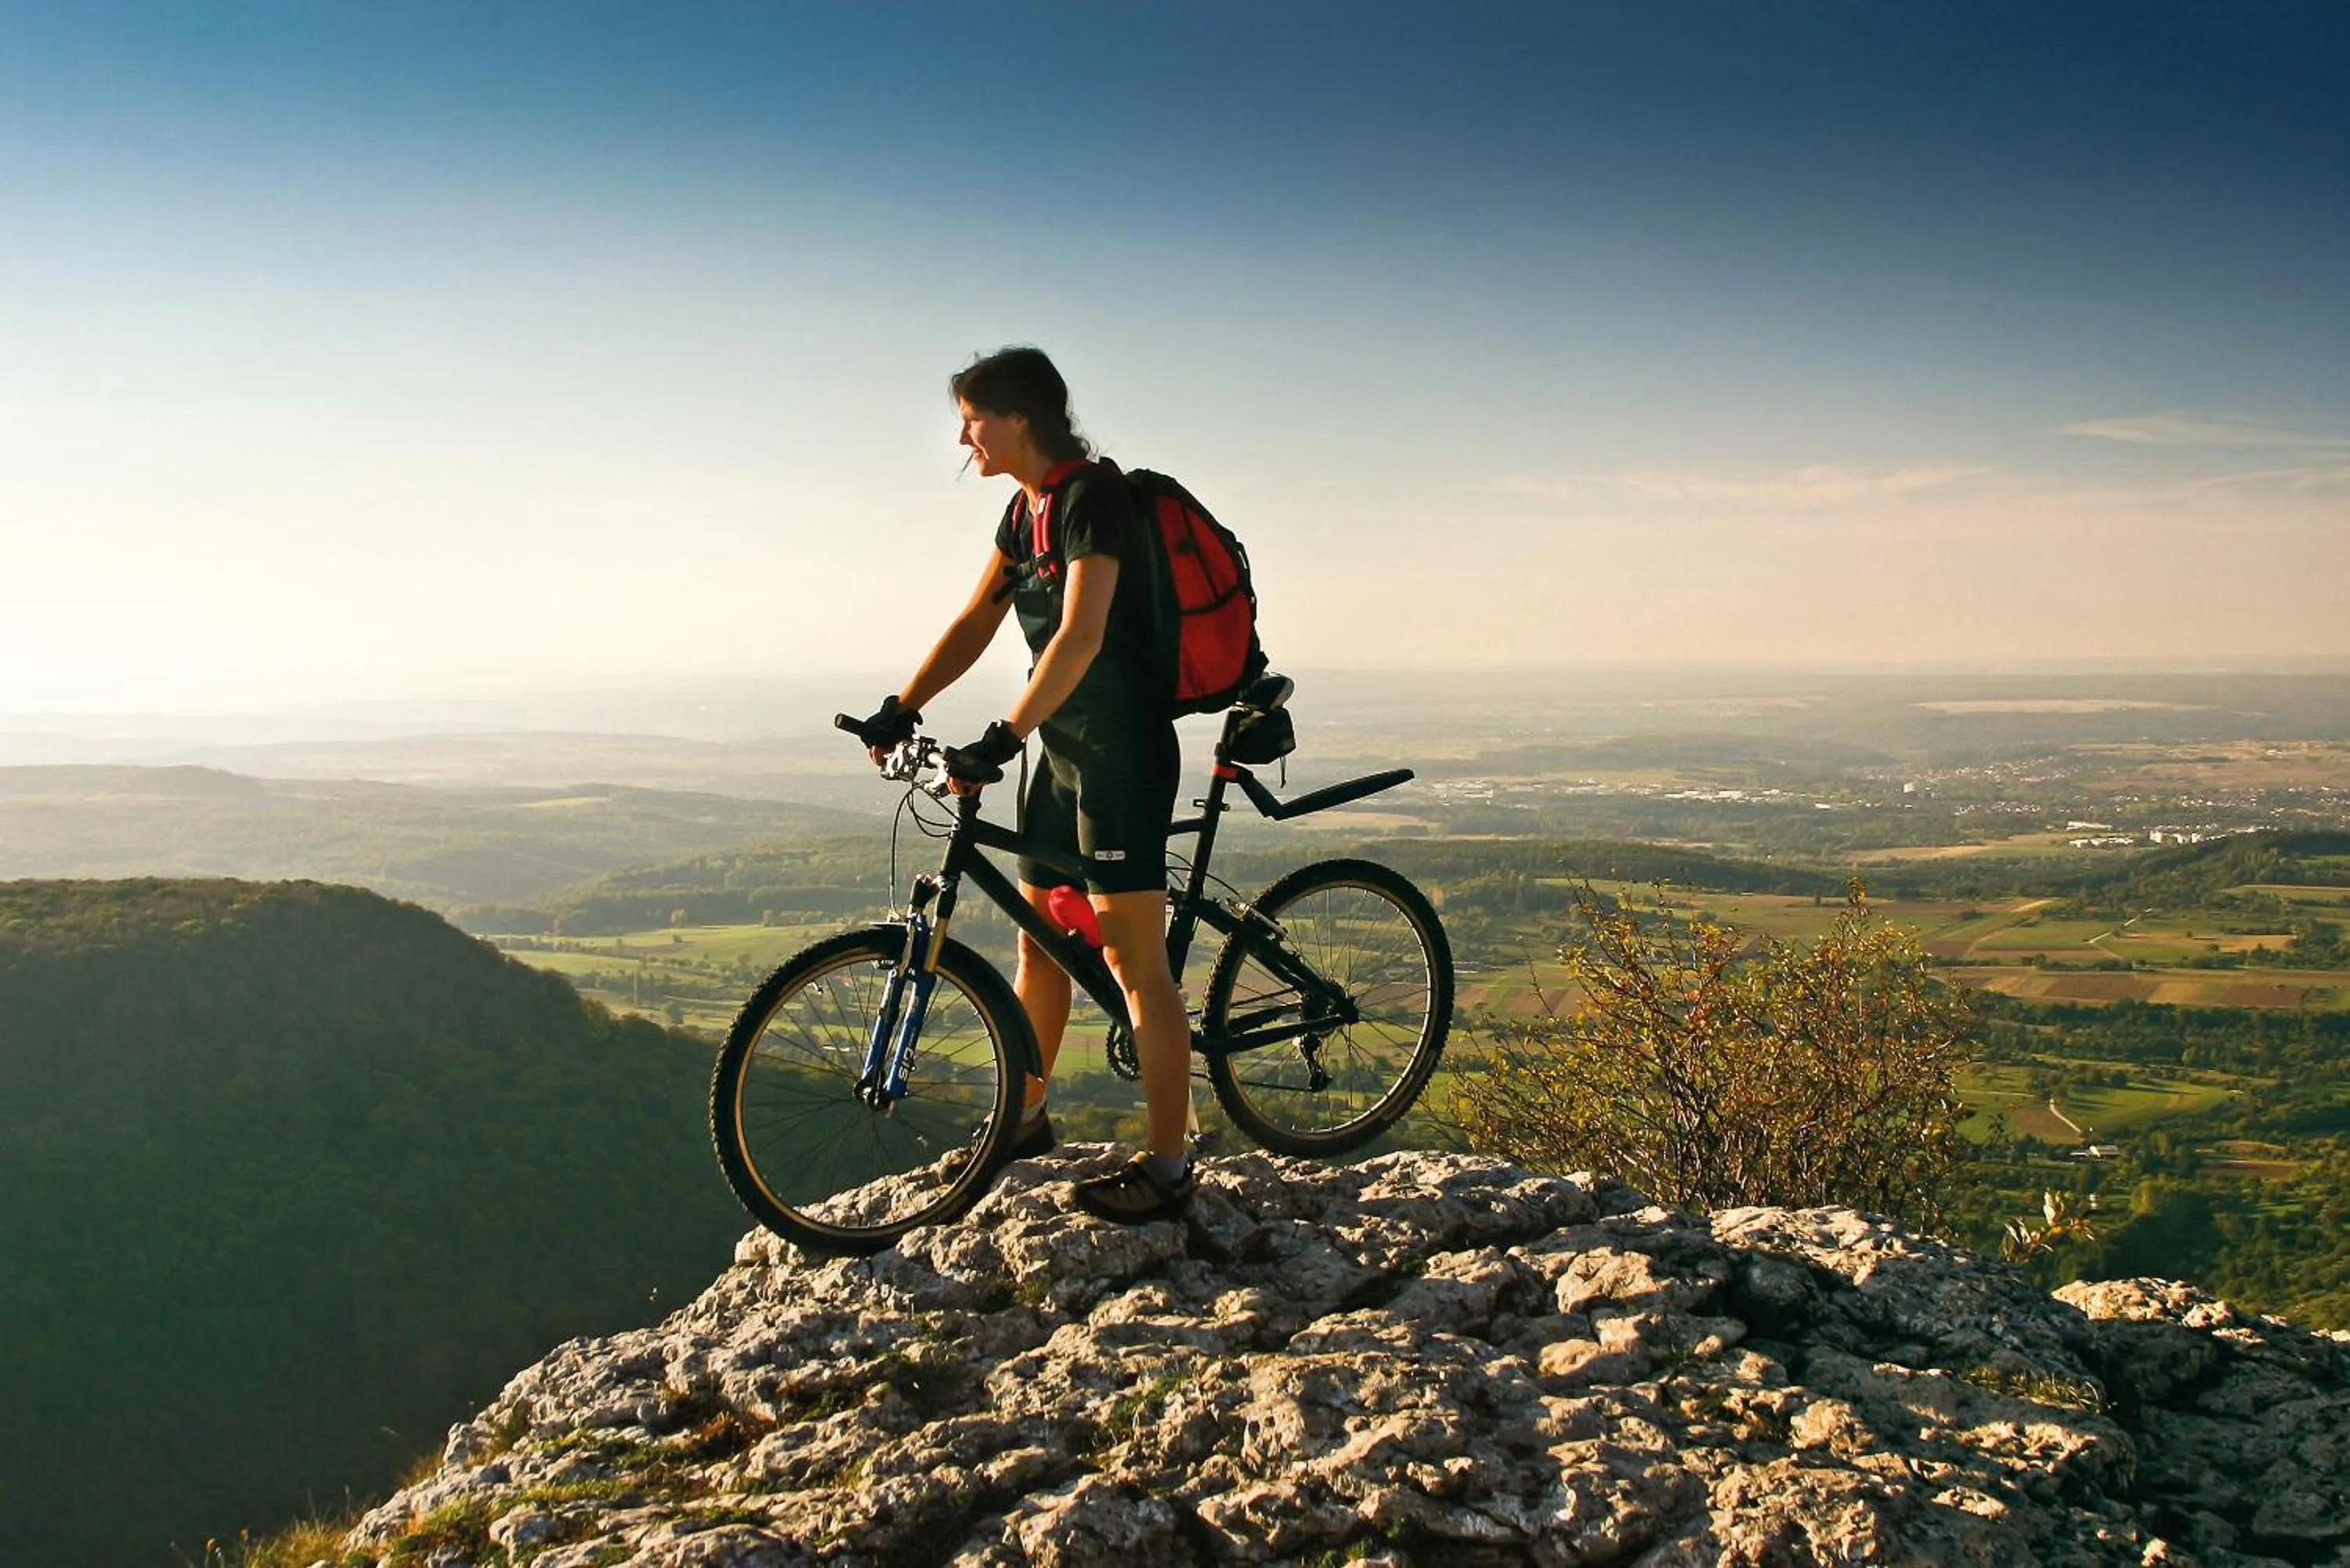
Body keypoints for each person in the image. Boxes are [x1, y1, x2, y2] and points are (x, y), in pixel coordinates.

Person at [855, 345, 1194, 1224]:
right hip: (1061, 754)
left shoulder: (1092, 499)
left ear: (1018, 418)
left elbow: (1080, 634)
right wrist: (902, 706)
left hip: (1119, 752)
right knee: (1040, 944)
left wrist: (1004, 734)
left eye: (972, 419)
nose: (963, 438)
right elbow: (977, 618)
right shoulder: (1026, 511)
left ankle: (1168, 1164)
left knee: (1132, 962)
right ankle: (1026, 1117)